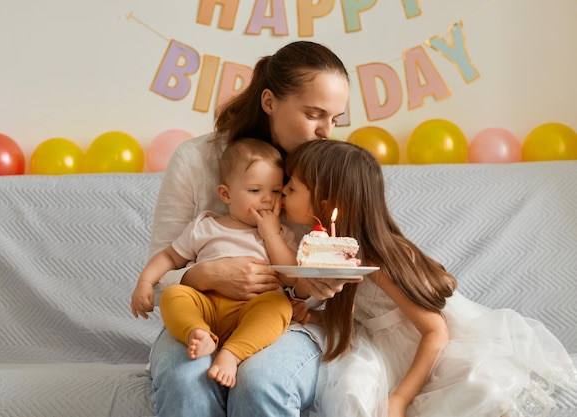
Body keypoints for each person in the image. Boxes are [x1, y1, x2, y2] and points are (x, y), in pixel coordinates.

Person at [282, 139, 577, 417]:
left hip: (426, 349)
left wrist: (400, 398)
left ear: (324, 204)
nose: (282, 192)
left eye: (291, 188)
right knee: (354, 389)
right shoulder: (327, 251)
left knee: (477, 384)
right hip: (381, 345)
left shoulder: (379, 261)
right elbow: (355, 314)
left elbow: (435, 332)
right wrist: (309, 316)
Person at [144, 40, 356, 417]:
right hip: (204, 313)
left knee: (260, 381)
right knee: (186, 379)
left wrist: (322, 286)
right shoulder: (196, 160)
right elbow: (162, 277)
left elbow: (328, 278)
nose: (327, 131)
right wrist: (204, 274)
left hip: (284, 320)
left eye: (336, 119)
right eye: (314, 114)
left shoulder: (329, 169)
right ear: (270, 102)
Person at [131, 138, 297, 389]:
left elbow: (291, 276)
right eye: (255, 191)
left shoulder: (279, 234)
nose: (267, 199)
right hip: (206, 305)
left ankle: (232, 353)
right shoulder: (205, 226)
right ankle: (198, 333)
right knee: (174, 295)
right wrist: (145, 281)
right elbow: (169, 257)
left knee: (279, 306)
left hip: (252, 309)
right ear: (225, 194)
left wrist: (271, 235)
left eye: (275, 191)